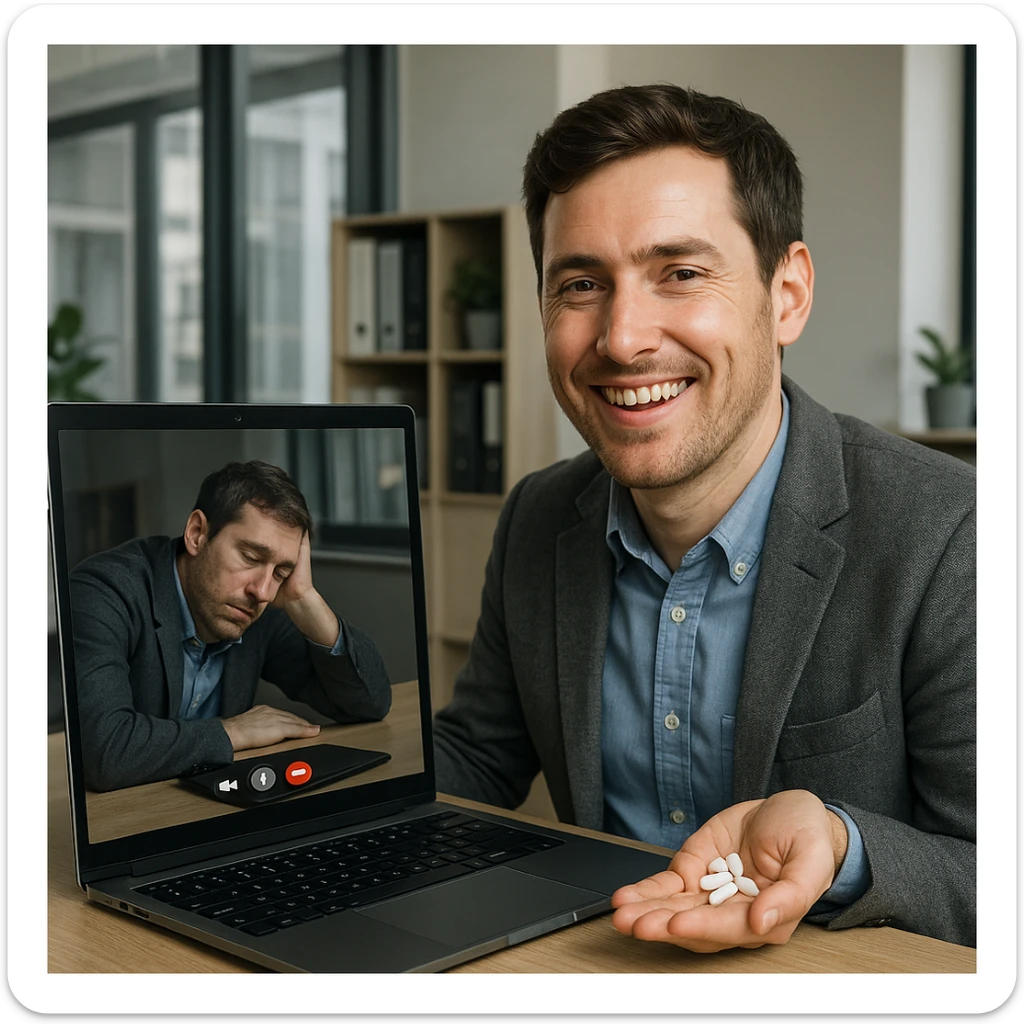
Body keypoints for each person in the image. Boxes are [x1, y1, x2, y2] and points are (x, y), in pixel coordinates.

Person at [432, 84, 975, 952]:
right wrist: (307, 786)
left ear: (787, 293)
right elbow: (481, 761)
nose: (621, 338)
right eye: (580, 284)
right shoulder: (538, 517)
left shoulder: (949, 533)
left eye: (679, 273)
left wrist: (842, 843)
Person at [70, 459, 393, 792]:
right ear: (197, 534)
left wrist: (303, 597)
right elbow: (104, 753)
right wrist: (234, 731)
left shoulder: (262, 605)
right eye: (251, 557)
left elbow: (369, 702)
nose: (262, 590)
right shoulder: (103, 591)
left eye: (281, 572)